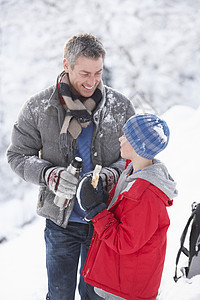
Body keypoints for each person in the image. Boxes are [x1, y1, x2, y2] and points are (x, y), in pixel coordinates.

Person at [6, 33, 135, 300]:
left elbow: (134, 158)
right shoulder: (39, 108)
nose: (92, 82)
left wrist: (113, 174)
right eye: (85, 73)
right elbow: (18, 155)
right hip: (60, 222)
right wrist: (48, 174)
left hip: (106, 221)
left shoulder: (120, 106)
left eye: (98, 73)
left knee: (96, 295)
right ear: (67, 65)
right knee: (60, 295)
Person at [77, 113, 178, 300]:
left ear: (139, 145)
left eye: (126, 135)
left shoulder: (147, 193)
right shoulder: (132, 171)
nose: (120, 138)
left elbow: (125, 241)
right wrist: (102, 199)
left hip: (125, 291)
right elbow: (124, 214)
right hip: (115, 279)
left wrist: (96, 211)